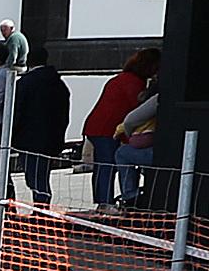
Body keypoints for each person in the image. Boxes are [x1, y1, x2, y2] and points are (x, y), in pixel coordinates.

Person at [84, 46, 160, 205]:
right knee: (108, 165)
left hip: (96, 126)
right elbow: (139, 109)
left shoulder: (121, 78)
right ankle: (106, 203)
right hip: (106, 128)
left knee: (103, 166)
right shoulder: (134, 83)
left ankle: (103, 202)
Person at [9, 55, 73, 206]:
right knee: (42, 176)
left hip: (28, 139)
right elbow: (64, 114)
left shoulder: (25, 83)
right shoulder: (59, 84)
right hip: (52, 138)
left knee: (33, 177)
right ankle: (42, 207)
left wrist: (12, 135)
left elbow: (16, 112)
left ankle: (40, 209)